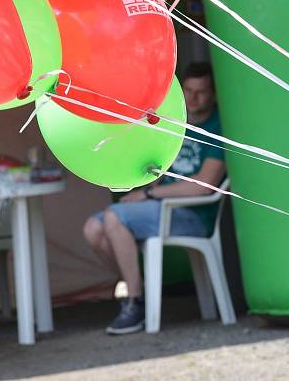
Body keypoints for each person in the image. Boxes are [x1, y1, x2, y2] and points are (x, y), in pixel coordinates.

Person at [83, 62, 226, 335]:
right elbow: (162, 173)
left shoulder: (217, 126)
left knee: (114, 218)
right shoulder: (178, 123)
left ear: (214, 94)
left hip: (193, 214)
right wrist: (143, 190)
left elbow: (203, 187)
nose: (194, 98)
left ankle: (134, 304)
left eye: (202, 92)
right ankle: (137, 288)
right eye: (189, 90)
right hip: (160, 207)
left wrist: (149, 194)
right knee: (93, 229)